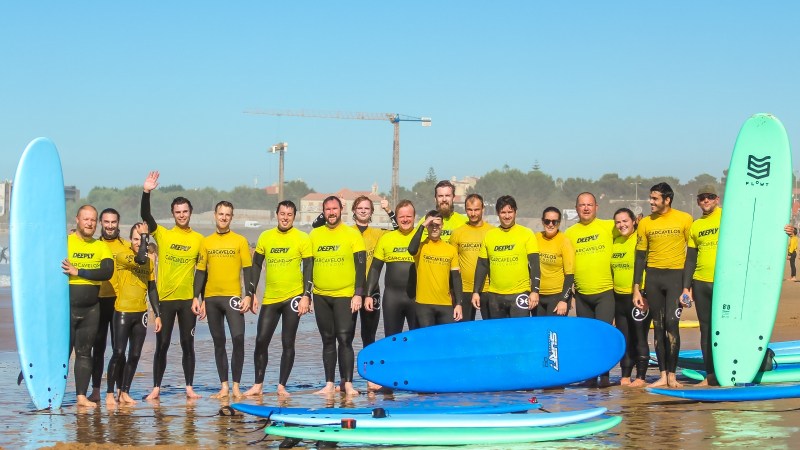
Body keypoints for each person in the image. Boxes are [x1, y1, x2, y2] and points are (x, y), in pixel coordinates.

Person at [140, 171, 204, 399]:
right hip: (165, 299)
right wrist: (146, 191)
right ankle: (156, 387)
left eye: (185, 211)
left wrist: (199, 298)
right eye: (178, 212)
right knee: (163, 344)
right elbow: (145, 216)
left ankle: (189, 387)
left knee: (188, 344)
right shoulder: (164, 235)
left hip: (188, 300)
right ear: (172, 214)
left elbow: (202, 272)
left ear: (190, 213)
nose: (181, 215)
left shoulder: (199, 240)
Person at [243, 200, 312, 398]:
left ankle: (282, 385)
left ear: (294, 216)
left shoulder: (302, 238)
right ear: (276, 214)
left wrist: (307, 296)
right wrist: (251, 293)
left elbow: (308, 268)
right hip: (271, 298)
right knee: (261, 340)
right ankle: (258, 384)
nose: (285, 217)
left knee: (288, 342)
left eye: (289, 214)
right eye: (282, 214)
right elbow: (256, 266)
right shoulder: (266, 237)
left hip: (293, 297)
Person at [633, 182, 693, 388]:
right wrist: (636, 288)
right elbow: (640, 257)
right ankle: (663, 375)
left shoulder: (684, 219)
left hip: (675, 277)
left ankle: (673, 376)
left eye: (655, 198)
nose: (651, 201)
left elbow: (692, 254)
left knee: (671, 325)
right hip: (653, 278)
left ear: (667, 200)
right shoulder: (645, 223)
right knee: (657, 327)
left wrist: (688, 287)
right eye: (650, 198)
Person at [193, 201, 253, 399]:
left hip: (234, 298)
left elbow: (248, 270)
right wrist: (197, 298)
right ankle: (224, 386)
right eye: (221, 214)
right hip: (211, 299)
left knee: (238, 339)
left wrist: (249, 295)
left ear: (232, 217)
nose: (224, 217)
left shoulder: (240, 241)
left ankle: (236, 386)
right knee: (219, 342)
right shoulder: (206, 242)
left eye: (228, 214)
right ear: (215, 215)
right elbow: (200, 272)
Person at [308, 196, 366, 396]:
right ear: (323, 211)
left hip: (345, 295)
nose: (331, 213)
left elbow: (361, 266)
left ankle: (348, 383)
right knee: (327, 339)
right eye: (327, 209)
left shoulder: (352, 234)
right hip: (321, 295)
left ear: (341, 210)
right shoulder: (315, 235)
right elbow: (308, 266)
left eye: (334, 209)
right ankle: (329, 384)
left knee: (344, 339)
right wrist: (307, 294)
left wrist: (358, 294)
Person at [61, 205, 114, 407]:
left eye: (93, 220)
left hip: (91, 309)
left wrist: (78, 271)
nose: (90, 223)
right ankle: (50, 391)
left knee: (85, 352)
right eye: (86, 219)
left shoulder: (100, 246)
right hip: (66, 309)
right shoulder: (65, 242)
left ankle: (81, 396)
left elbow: (107, 272)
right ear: (77, 220)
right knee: (61, 353)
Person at [105, 223, 162, 407]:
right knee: (119, 353)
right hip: (122, 311)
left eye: (142, 238)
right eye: (136, 239)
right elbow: (139, 259)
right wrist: (146, 237)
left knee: (135, 354)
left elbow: (152, 288)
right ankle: (109, 393)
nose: (139, 242)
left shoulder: (150, 261)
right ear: (131, 240)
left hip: (141, 313)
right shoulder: (123, 255)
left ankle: (125, 392)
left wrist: (157, 314)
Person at [564, 192, 617, 387]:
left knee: (603, 336)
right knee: (587, 338)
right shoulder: (570, 233)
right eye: (582, 205)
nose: (586, 208)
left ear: (596, 207)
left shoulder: (609, 226)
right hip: (582, 295)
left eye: (589, 205)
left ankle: (604, 376)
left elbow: (630, 231)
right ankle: (590, 375)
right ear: (576, 208)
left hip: (605, 293)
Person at [471, 195, 540, 319]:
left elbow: (535, 265)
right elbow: (482, 265)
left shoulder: (526, 233)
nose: (507, 216)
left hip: (519, 294)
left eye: (510, 212)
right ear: (498, 213)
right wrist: (475, 292)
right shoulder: (490, 235)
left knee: (519, 334)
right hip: (495, 295)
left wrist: (535, 291)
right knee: (498, 335)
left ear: (515, 212)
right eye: (503, 212)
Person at [680, 184, 722, 386]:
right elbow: (690, 259)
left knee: (724, 327)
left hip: (725, 283)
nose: (706, 200)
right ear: (698, 201)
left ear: (717, 199)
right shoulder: (696, 226)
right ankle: (711, 375)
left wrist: (786, 230)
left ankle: (730, 369)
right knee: (706, 329)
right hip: (701, 283)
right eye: (702, 198)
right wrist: (686, 287)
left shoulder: (728, 216)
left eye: (710, 197)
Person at [88, 208, 130, 403]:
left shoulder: (127, 246)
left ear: (118, 223)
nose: (110, 226)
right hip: (97, 301)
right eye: (106, 222)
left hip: (119, 302)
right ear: (100, 223)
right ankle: (96, 390)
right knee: (98, 348)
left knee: (119, 349)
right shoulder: (94, 245)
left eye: (113, 222)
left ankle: (120, 390)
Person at [365, 200, 418, 335]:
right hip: (392, 299)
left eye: (408, 216)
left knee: (418, 341)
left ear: (414, 217)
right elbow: (375, 268)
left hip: (417, 298)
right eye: (401, 217)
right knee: (391, 340)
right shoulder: (386, 239)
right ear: (397, 218)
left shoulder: (422, 237)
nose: (405, 220)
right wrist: (369, 294)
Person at [611, 208, 650, 387]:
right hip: (619, 297)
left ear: (634, 221)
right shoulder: (616, 242)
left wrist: (644, 292)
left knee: (640, 337)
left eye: (625, 221)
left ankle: (641, 377)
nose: (622, 225)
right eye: (618, 222)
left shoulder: (640, 240)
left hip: (638, 296)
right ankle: (625, 375)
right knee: (625, 337)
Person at [408, 210, 463, 326]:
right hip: (423, 304)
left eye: (437, 225)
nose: (434, 228)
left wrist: (458, 304)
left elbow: (456, 278)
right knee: (426, 342)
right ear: (427, 226)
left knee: (445, 342)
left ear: (442, 226)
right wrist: (422, 225)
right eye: (431, 225)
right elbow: (411, 249)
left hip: (445, 305)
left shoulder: (450, 250)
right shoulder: (421, 247)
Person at [449, 194, 493, 320]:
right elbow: (452, 265)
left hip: (487, 289)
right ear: (465, 209)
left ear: (483, 209)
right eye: (469, 210)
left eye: (476, 209)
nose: (473, 213)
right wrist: (451, 290)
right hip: (464, 290)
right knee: (463, 331)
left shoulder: (492, 232)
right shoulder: (457, 233)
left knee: (490, 330)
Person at [535, 207, 573, 317]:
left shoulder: (565, 242)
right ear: (542, 221)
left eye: (554, 222)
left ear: (559, 223)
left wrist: (564, 300)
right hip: (538, 295)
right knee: (540, 331)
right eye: (547, 221)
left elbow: (570, 275)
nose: (550, 224)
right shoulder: (536, 238)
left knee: (554, 333)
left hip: (557, 296)